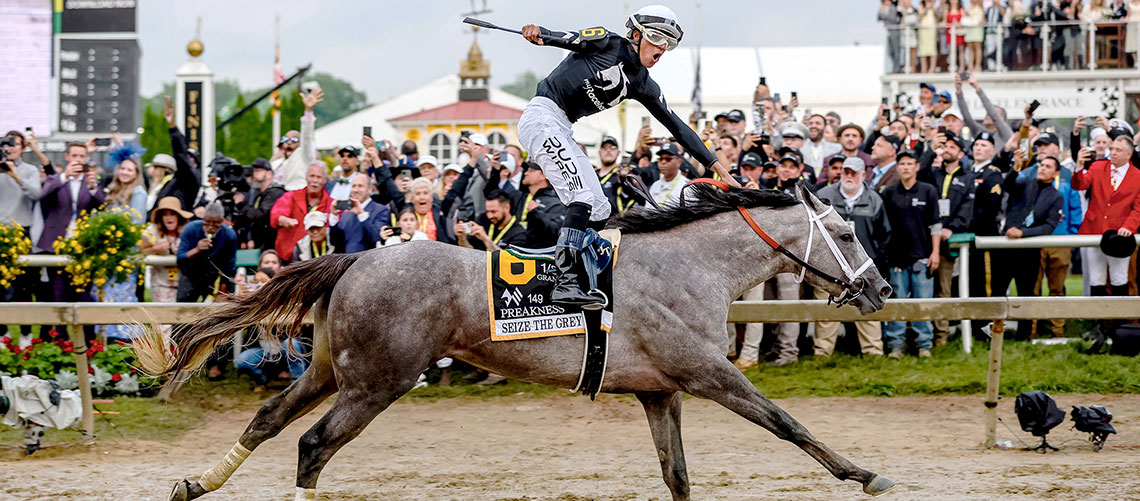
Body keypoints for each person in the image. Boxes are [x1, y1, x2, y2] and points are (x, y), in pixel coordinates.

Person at [517, 4, 736, 309]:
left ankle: (582, 277)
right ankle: (564, 281)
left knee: (600, 208)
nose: (662, 48)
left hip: (563, 127)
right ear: (636, 34)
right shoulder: (607, 42)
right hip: (541, 116)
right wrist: (539, 34)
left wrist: (721, 171)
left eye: (668, 44)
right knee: (582, 196)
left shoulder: (643, 84)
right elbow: (565, 37)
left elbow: (678, 127)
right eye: (657, 38)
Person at [813, 157, 890, 357]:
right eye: (846, 172)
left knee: (870, 305)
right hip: (830, 268)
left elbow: (884, 234)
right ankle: (822, 353)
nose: (848, 176)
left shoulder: (874, 199)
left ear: (863, 175)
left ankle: (873, 353)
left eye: (853, 173)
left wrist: (875, 262)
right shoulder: (824, 196)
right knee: (827, 309)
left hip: (864, 268)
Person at [39, 142, 106, 342]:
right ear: (67, 157)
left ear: (86, 159)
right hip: (56, 244)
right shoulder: (56, 179)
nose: (78, 159)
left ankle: (88, 341)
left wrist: (93, 188)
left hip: (84, 245)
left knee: (83, 293)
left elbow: (102, 205)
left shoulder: (91, 180)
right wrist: (64, 176)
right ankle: (61, 340)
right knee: (58, 293)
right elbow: (44, 195)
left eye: (82, 156)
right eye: (74, 155)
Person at [995, 154, 1064, 338]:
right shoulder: (1025, 183)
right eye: (1042, 165)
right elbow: (1007, 186)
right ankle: (993, 331)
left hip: (1029, 252)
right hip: (1006, 248)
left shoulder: (1056, 197)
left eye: (1048, 167)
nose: (1043, 168)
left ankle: (1024, 335)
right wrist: (1015, 168)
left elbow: (1048, 227)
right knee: (997, 291)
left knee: (1026, 293)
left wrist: (1023, 233)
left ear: (1056, 173)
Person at [881, 149, 941, 359]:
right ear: (897, 167)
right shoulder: (889, 192)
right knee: (897, 303)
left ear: (917, 167)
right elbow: (884, 227)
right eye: (902, 164)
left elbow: (936, 224)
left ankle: (924, 345)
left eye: (909, 163)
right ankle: (896, 346)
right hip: (896, 259)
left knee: (922, 303)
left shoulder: (928, 191)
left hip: (922, 257)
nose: (905, 167)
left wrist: (935, 252)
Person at [1071, 137, 1140, 301]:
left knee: (1119, 278)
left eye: (1118, 150)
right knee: (1096, 279)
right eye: (1112, 149)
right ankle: (1098, 317)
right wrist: (1079, 166)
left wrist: (1128, 227)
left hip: (1119, 235)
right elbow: (1079, 185)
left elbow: (1138, 208)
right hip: (1094, 230)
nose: (1113, 153)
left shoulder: (1137, 176)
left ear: (1129, 154)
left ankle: (1120, 316)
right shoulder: (1097, 166)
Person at [928, 135, 975, 346]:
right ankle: (920, 333)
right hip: (926, 237)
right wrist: (932, 150)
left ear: (961, 153)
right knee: (921, 288)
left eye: (952, 147)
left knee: (943, 289)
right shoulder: (932, 172)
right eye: (945, 146)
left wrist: (952, 228)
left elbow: (967, 208)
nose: (947, 149)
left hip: (948, 239)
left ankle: (941, 336)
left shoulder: (968, 177)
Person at [1, 131, 44, 337]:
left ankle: (26, 334)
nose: (9, 148)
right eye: (5, 143)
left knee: (24, 285)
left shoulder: (30, 170)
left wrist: (16, 177)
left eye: (14, 143)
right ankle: (3, 333)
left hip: (21, 232)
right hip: (1, 232)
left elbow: (37, 194)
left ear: (23, 148)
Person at [484, 161, 567, 249]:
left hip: (537, 253)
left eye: (531, 171)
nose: (526, 173)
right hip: (516, 248)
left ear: (543, 175)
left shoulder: (554, 201)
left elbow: (557, 230)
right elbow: (492, 195)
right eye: (526, 170)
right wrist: (496, 170)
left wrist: (536, 212)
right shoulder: (519, 197)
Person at [269, 162, 332, 263]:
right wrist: (283, 220)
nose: (315, 180)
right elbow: (275, 216)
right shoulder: (291, 196)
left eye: (319, 177)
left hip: (318, 258)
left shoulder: (331, 203)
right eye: (312, 176)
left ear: (325, 180)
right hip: (289, 256)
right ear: (306, 177)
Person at [176, 202, 237, 302]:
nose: (211, 227)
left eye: (216, 223)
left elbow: (230, 265)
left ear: (222, 221)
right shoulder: (190, 229)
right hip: (190, 273)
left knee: (222, 303)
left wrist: (222, 289)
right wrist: (196, 249)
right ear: (203, 219)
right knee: (184, 304)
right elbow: (180, 257)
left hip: (213, 274)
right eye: (207, 222)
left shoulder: (229, 235)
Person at [140, 197, 190, 304]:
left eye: (172, 214)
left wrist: (182, 251)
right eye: (165, 214)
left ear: (178, 216)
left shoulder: (188, 230)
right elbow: (140, 251)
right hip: (160, 281)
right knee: (162, 310)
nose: (169, 218)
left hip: (183, 281)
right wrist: (155, 248)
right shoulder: (152, 230)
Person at [271, 89, 323, 191]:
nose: (289, 142)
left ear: (300, 143)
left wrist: (308, 111)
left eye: (294, 140)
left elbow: (307, 138)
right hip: (284, 196)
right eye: (286, 139)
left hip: (301, 195)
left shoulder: (304, 155)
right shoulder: (279, 162)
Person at [238, 158, 285, 252]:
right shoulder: (257, 194)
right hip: (258, 244)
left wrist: (240, 203)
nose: (254, 175)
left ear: (269, 174)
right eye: (253, 171)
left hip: (271, 246)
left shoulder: (276, 192)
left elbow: (259, 214)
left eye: (258, 171)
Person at [455, 192, 529, 251]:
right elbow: (469, 251)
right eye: (488, 211)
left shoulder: (519, 233)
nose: (489, 216)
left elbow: (507, 261)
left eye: (493, 211)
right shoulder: (483, 219)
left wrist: (485, 239)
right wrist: (462, 238)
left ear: (507, 207)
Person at [333, 174, 387, 253]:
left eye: (360, 186)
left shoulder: (381, 210)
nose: (356, 190)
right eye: (353, 186)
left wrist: (362, 214)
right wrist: (334, 216)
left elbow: (377, 240)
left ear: (370, 189)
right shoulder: (346, 214)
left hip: (370, 259)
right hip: (348, 259)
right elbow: (335, 242)